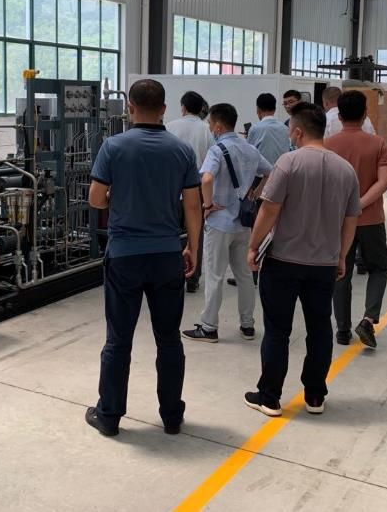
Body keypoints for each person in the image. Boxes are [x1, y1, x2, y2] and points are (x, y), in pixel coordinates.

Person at [85, 79, 203, 437]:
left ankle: (109, 416)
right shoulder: (181, 151)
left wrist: (117, 198)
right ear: (164, 109)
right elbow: (193, 206)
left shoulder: (113, 146)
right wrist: (193, 248)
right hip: (167, 255)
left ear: (130, 108)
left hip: (125, 256)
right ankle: (171, 416)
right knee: (169, 339)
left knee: (118, 340)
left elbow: (95, 199)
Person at [242, 103, 361, 417]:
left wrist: (253, 246)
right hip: (323, 265)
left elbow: (269, 209)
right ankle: (315, 395)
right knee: (320, 328)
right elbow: (351, 219)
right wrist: (341, 256)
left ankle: (269, 397)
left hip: (283, 260)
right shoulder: (345, 170)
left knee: (277, 330)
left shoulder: (288, 162)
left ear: (296, 131)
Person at [183, 104, 273, 344]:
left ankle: (209, 327)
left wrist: (207, 205)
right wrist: (256, 192)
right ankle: (248, 324)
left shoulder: (217, 150)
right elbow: (270, 171)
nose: (210, 128)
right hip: (243, 223)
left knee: (215, 275)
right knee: (244, 275)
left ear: (218, 126)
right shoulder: (250, 148)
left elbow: (207, 178)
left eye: (210, 124)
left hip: (219, 223)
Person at [325, 91, 387, 348]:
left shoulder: (328, 146)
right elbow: (384, 181)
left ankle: (342, 330)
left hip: (338, 221)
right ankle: (368, 318)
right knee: (379, 268)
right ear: (365, 114)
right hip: (371, 219)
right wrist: (361, 204)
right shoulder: (377, 143)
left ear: (339, 116)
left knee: (341, 272)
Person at [166, 91, 212, 293]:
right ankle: (192, 278)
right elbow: (212, 162)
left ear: (183, 107)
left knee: (170, 233)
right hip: (197, 188)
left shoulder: (170, 127)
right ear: (201, 108)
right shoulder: (207, 130)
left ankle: (172, 275)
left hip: (171, 189)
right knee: (195, 234)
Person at [247, 93, 291, 168]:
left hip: (262, 174)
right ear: (275, 109)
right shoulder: (285, 128)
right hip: (282, 171)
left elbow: (249, 153)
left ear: (258, 109)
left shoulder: (255, 128)